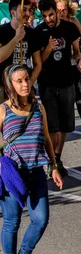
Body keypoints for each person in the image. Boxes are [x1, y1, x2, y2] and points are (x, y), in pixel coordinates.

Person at [0, 64, 63, 254]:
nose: (25, 84)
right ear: (10, 85)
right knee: (12, 222)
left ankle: (24, 252)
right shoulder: (3, 110)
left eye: (26, 79)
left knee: (41, 219)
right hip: (12, 173)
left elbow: (46, 139)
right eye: (19, 81)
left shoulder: (38, 108)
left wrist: (54, 166)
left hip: (36, 171)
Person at [36, 0, 81, 176]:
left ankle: (57, 157)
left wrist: (80, 61)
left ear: (56, 12)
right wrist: (48, 49)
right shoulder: (39, 32)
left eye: (51, 15)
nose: (49, 19)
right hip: (47, 84)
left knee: (65, 125)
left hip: (67, 81)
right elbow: (38, 62)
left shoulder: (69, 28)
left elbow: (76, 52)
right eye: (45, 16)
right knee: (51, 126)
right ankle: (51, 162)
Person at [55, 0, 81, 137]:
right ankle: (61, 124)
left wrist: (79, 54)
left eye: (64, 10)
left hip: (74, 62)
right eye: (58, 10)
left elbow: (80, 37)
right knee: (62, 96)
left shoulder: (72, 21)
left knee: (78, 93)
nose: (61, 13)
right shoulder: (51, 25)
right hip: (58, 66)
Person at [0, 0, 43, 101]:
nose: (28, 14)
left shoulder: (32, 34)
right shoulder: (1, 31)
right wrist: (16, 38)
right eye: (24, 10)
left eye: (29, 10)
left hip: (23, 88)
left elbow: (38, 64)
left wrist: (28, 84)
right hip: (3, 88)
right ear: (13, 13)